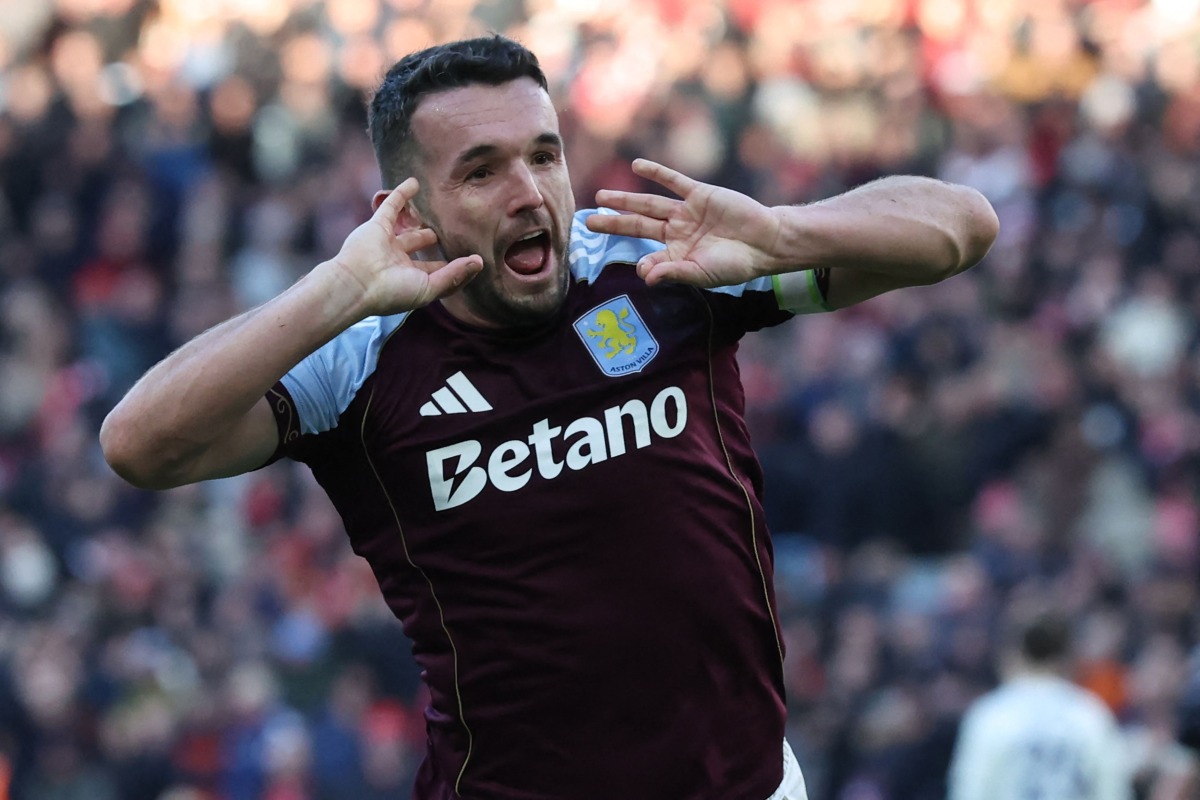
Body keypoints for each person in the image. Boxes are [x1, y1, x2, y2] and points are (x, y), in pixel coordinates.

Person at [100, 35, 998, 800]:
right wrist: (338, 288)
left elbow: (963, 227)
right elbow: (139, 445)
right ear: (403, 215)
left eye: (542, 153)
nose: (529, 192)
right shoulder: (360, 356)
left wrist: (784, 233)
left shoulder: (660, 265)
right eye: (481, 173)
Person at [947, 611, 1132, 800]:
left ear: (1011, 654)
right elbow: (1113, 791)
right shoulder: (1090, 713)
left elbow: (971, 791)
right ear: (1067, 656)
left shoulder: (991, 715)